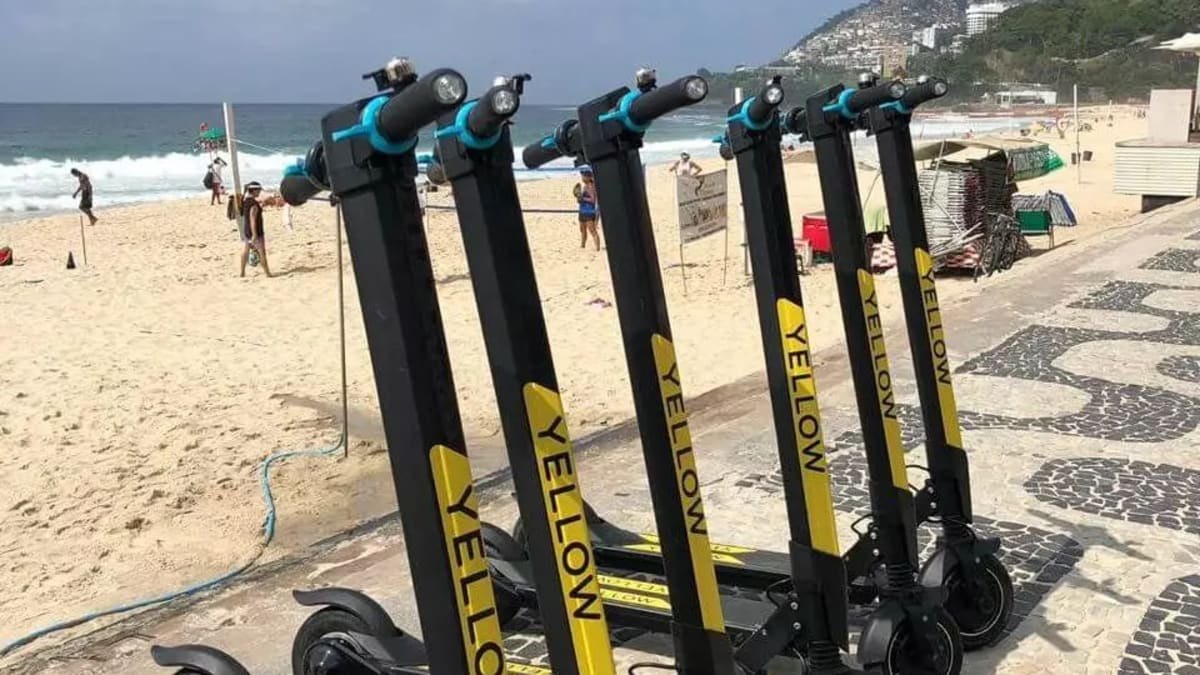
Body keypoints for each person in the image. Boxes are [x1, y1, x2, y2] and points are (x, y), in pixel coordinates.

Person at [239, 181, 272, 278]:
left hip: (246, 230)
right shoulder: (253, 204)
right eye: (258, 190)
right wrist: (254, 234)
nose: (259, 192)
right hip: (255, 231)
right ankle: (267, 273)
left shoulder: (245, 201)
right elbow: (253, 219)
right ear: (254, 191)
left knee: (246, 250)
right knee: (262, 252)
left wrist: (261, 205)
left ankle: (242, 272)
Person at [573, 166, 601, 251]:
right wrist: (579, 198)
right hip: (583, 210)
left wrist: (582, 198)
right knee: (582, 230)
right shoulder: (585, 186)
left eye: (583, 176)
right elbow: (584, 199)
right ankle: (582, 246)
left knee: (592, 230)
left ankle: (597, 248)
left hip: (588, 211)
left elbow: (592, 200)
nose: (582, 178)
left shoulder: (590, 186)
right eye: (582, 176)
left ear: (588, 177)